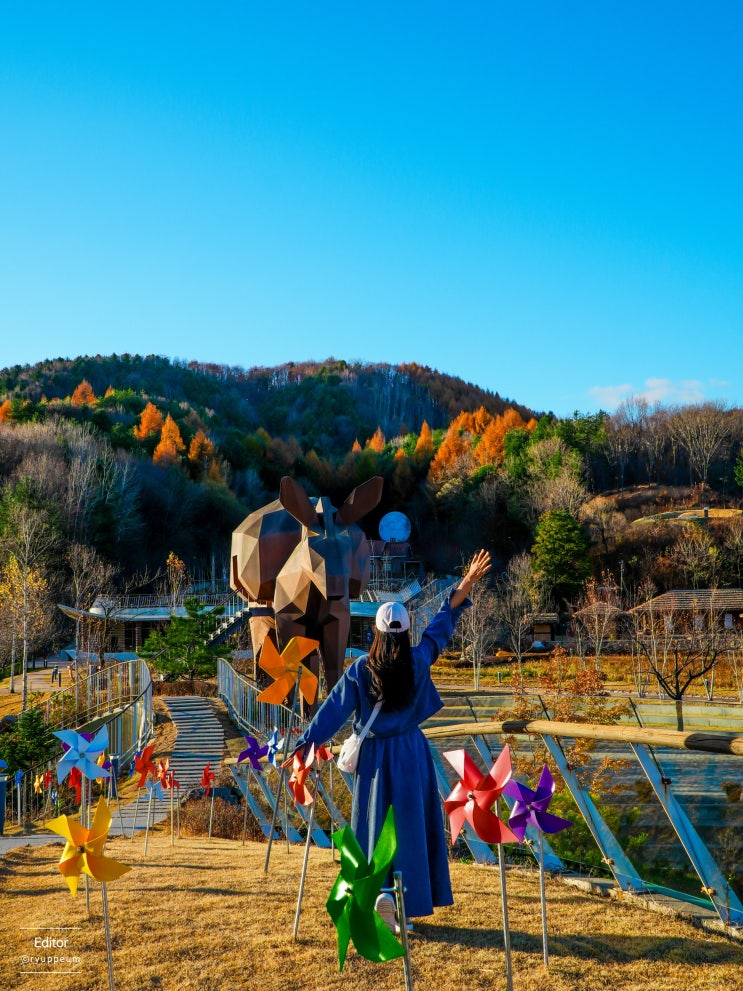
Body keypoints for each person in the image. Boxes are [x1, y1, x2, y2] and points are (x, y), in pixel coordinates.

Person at [291, 548, 492, 922]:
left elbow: (332, 711)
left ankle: (378, 897)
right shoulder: (418, 660)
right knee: (411, 828)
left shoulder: (360, 669)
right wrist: (466, 582)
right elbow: (441, 626)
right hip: (411, 753)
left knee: (372, 827)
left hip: (374, 760)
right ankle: (407, 908)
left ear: (376, 632)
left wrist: (305, 747)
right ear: (406, 631)